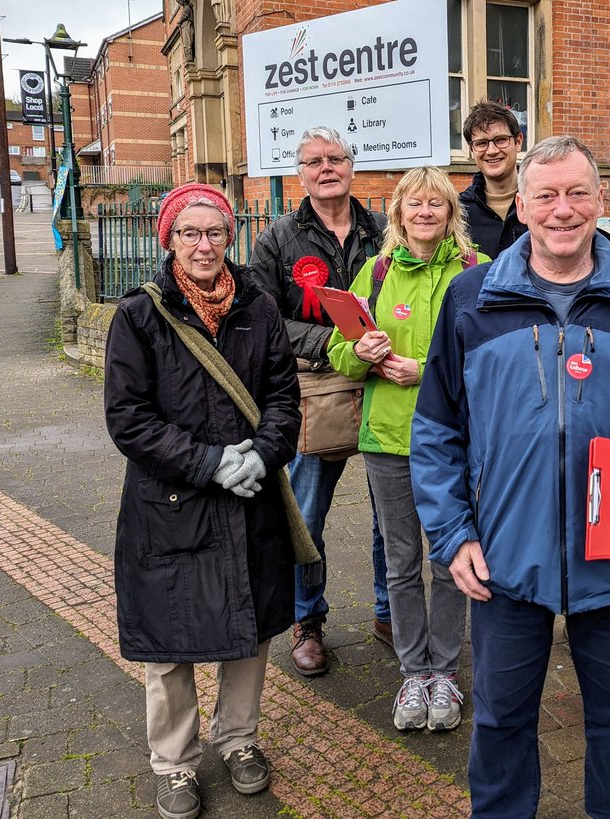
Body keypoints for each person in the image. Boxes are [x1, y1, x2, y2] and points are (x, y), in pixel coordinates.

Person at [411, 136, 610, 817]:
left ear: (602, 202)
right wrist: (453, 536)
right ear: (522, 204)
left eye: (578, 193)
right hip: (505, 556)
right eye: (546, 195)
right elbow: (435, 429)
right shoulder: (472, 299)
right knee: (501, 721)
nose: (562, 209)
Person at [104, 183, 302, 819]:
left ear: (230, 236)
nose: (204, 245)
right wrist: (210, 462)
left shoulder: (259, 307)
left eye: (215, 231)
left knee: (247, 627)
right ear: (168, 239)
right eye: (189, 233)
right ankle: (175, 762)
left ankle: (239, 739)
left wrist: (261, 455)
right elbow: (128, 419)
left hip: (248, 496)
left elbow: (283, 399)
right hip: (170, 503)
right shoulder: (140, 314)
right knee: (170, 639)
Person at [327, 167, 488, 732]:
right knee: (400, 562)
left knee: (450, 560)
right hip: (388, 441)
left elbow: (496, 361)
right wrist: (363, 352)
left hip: (457, 443)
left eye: (436, 205)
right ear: (397, 215)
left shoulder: (477, 273)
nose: (424, 214)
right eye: (414, 205)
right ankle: (411, 672)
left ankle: (444, 669)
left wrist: (424, 371)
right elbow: (337, 354)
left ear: (451, 215)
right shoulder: (375, 272)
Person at [249, 126, 391, 676]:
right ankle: (307, 620)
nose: (325, 168)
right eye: (313, 161)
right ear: (300, 172)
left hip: (383, 381)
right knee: (306, 515)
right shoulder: (278, 239)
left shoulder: (385, 230)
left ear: (352, 167)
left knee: (391, 513)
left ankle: (389, 610)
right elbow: (262, 318)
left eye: (335, 158)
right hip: (314, 385)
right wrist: (334, 345)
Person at [458, 99, 527, 258]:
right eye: (481, 143)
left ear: (518, 142)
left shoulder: (542, 202)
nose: (492, 151)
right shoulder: (458, 211)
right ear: (471, 150)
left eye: (500, 140)